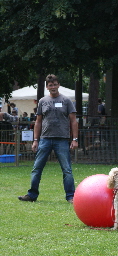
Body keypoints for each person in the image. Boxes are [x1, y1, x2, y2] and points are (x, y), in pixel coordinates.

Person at [18, 74, 78, 203]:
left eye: (55, 84)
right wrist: (35, 140)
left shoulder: (66, 101)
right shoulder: (42, 101)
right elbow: (38, 122)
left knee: (67, 169)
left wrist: (75, 139)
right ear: (47, 87)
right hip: (45, 139)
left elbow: (73, 121)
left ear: (58, 85)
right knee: (36, 168)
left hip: (62, 139)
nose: (53, 87)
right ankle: (32, 195)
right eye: (50, 85)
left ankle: (71, 197)